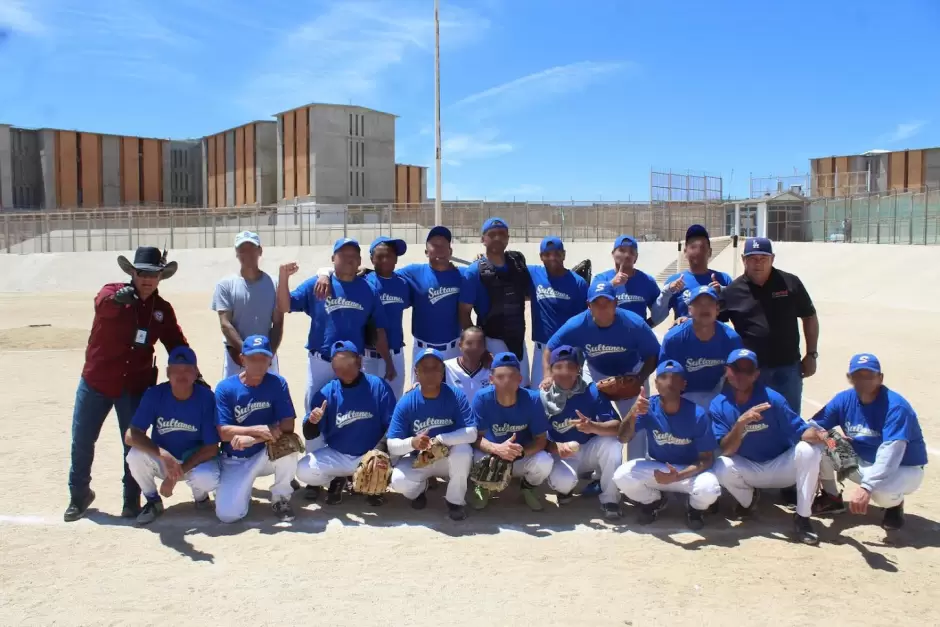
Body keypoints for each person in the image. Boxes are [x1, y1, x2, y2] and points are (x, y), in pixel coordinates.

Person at [64, 246, 189, 523]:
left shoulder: (162, 310)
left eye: (153, 274)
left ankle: (130, 500)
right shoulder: (111, 292)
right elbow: (102, 304)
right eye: (141, 272)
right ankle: (78, 495)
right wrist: (120, 300)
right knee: (83, 439)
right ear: (132, 273)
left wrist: (193, 372)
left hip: (135, 385)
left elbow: (176, 343)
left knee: (133, 446)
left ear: (160, 277)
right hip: (97, 380)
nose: (146, 278)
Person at [710, 348, 828, 545]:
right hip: (749, 468)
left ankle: (803, 517)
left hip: (780, 467)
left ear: (756, 374)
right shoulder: (718, 404)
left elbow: (801, 432)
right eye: (735, 369)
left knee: (808, 450)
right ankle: (749, 500)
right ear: (727, 371)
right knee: (721, 465)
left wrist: (826, 438)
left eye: (747, 370)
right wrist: (740, 424)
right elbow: (728, 450)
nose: (741, 375)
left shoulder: (773, 399)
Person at [543, 279, 661, 459]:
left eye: (607, 303)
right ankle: (596, 468)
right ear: (588, 305)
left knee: (636, 421)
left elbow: (653, 355)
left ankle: (634, 468)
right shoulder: (577, 324)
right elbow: (550, 347)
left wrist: (639, 377)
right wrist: (548, 375)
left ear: (616, 303)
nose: (602, 308)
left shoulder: (634, 323)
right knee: (590, 418)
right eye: (597, 303)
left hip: (631, 371)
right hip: (596, 370)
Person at [810, 354, 928, 531]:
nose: (863, 381)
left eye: (869, 376)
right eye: (858, 376)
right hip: (864, 461)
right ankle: (831, 498)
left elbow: (891, 453)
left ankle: (894, 505)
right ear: (850, 378)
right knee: (824, 444)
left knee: (882, 492)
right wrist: (828, 437)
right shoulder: (843, 399)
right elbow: (810, 428)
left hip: (903, 468)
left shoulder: (895, 406)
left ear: (880, 378)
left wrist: (867, 487)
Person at [277, 237, 394, 413]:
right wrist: (283, 277)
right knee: (316, 412)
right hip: (321, 362)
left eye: (354, 255)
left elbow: (378, 329)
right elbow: (284, 306)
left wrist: (388, 361)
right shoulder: (316, 284)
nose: (349, 259)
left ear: (360, 261)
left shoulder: (369, 290)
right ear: (333, 259)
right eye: (343, 254)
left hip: (353, 364)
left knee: (350, 413)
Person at [613, 360, 721, 530]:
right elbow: (622, 438)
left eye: (675, 377)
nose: (669, 381)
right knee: (622, 475)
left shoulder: (698, 414)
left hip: (688, 470)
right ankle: (655, 500)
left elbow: (706, 460)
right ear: (656, 384)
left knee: (710, 488)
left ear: (683, 384)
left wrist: (678, 476)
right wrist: (633, 413)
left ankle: (694, 509)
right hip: (660, 467)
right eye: (663, 377)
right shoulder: (647, 408)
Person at [718, 237, 818, 413]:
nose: (758, 264)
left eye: (763, 259)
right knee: (754, 425)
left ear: (772, 258)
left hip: (788, 368)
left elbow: (809, 316)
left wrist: (811, 354)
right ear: (743, 260)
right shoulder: (732, 291)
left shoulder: (790, 283)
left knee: (789, 422)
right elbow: (713, 322)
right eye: (752, 259)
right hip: (750, 372)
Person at [124, 346, 220, 525]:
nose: (181, 375)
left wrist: (176, 475)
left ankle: (200, 496)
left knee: (207, 477)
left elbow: (212, 448)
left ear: (196, 372)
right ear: (168, 372)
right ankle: (152, 500)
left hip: (193, 460)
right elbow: (131, 435)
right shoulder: (155, 394)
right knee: (134, 456)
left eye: (187, 369)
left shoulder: (206, 398)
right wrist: (162, 454)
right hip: (164, 461)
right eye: (176, 370)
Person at [296, 341, 397, 506]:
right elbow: (310, 434)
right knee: (303, 470)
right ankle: (338, 478)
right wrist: (313, 422)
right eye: (338, 368)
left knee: (400, 473)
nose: (344, 372)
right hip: (339, 456)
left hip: (371, 454)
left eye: (348, 365)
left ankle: (365, 482)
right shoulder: (327, 393)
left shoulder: (378, 386)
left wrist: (378, 453)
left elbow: (393, 426)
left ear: (359, 361)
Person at [314, 236, 411, 399]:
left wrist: (390, 362)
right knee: (367, 401)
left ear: (396, 259)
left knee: (394, 401)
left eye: (391, 255)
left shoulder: (403, 283)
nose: (386, 260)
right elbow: (335, 271)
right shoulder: (363, 280)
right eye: (380, 256)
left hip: (395, 353)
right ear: (371, 258)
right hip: (366, 355)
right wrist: (323, 274)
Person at [214, 335, 299, 523]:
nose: (258, 364)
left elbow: (287, 425)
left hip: (266, 454)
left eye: (263, 358)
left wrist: (254, 439)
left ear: (270, 360)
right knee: (228, 515)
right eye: (253, 358)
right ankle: (234, 489)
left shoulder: (277, 383)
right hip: (236, 457)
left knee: (290, 444)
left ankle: (281, 497)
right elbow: (223, 432)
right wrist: (258, 429)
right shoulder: (226, 388)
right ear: (242, 359)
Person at [388, 349, 477, 521]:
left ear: (442, 371)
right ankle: (420, 490)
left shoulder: (455, 395)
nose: (430, 373)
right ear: (416, 372)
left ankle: (455, 501)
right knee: (398, 481)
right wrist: (412, 443)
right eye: (424, 369)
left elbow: (472, 433)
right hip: (419, 459)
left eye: (435, 368)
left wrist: (442, 439)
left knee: (464, 451)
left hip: (447, 457)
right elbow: (392, 444)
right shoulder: (407, 402)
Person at [541, 345, 623, 520]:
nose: (565, 373)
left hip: (589, 450)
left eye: (570, 367)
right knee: (562, 482)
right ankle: (565, 490)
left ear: (578, 369)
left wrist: (593, 426)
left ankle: (610, 499)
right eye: (559, 367)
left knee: (613, 444)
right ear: (552, 370)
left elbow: (618, 426)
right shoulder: (542, 396)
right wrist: (555, 447)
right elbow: (535, 436)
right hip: (561, 453)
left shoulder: (592, 391)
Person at [471, 352, 553, 511]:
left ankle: (527, 486)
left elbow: (541, 440)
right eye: (500, 376)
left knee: (544, 461)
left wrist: (520, 453)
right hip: (491, 455)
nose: (506, 381)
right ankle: (483, 486)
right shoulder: (482, 398)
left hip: (521, 454)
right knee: (470, 455)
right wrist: (498, 449)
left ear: (520, 379)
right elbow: (476, 438)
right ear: (491, 379)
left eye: (511, 376)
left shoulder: (533, 399)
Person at [460, 218, 532, 386]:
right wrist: (480, 348)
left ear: (508, 237)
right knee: (498, 390)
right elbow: (464, 312)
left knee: (522, 387)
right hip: (492, 341)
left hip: (518, 339)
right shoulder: (474, 272)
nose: (497, 238)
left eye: (502, 234)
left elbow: (527, 293)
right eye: (492, 234)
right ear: (483, 239)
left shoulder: (518, 266)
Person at [211, 231, 282, 378]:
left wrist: (268, 354)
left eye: (251, 249)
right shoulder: (225, 285)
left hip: (267, 354)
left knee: (269, 398)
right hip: (236, 356)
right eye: (242, 250)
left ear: (260, 251)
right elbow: (225, 324)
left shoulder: (275, 284)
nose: (247, 254)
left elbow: (278, 323)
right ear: (236, 253)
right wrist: (247, 353)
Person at [396, 226, 472, 363]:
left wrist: (481, 261)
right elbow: (385, 277)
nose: (440, 249)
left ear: (450, 251)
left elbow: (484, 273)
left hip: (454, 349)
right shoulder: (413, 272)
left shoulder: (464, 274)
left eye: (444, 245)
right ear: (426, 251)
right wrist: (365, 271)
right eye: (435, 245)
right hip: (422, 350)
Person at [659, 286, 742, 408]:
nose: (705, 308)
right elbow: (664, 377)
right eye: (698, 304)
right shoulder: (674, 338)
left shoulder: (731, 338)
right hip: (683, 395)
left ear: (717, 309)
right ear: (690, 310)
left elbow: (739, 376)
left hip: (718, 394)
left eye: (710, 303)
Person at [526, 236, 589, 386]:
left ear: (564, 255)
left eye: (557, 253)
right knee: (540, 395)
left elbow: (584, 319)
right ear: (541, 257)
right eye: (547, 254)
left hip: (568, 351)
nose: (552, 257)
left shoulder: (578, 282)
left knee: (570, 397)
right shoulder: (534, 273)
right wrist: (480, 258)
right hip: (542, 349)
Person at [658, 225, 733, 323]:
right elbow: (658, 315)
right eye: (693, 247)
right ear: (685, 252)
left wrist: (722, 293)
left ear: (710, 252)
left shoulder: (723, 279)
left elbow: (737, 311)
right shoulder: (674, 282)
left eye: (702, 247)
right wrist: (676, 322)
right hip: (685, 337)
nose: (698, 251)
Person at [594, 235, 670, 326]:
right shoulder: (601, 279)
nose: (627, 255)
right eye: (622, 250)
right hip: (607, 337)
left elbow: (659, 311)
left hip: (637, 338)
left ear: (636, 257)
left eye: (631, 252)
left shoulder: (647, 281)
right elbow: (592, 309)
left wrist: (646, 327)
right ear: (613, 254)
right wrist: (612, 284)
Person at [444, 326, 492, 404]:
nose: (474, 348)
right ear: (460, 345)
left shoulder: (492, 370)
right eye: (469, 343)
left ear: (484, 347)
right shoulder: (446, 367)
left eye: (479, 344)